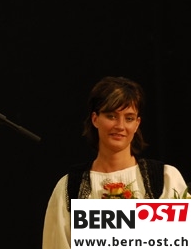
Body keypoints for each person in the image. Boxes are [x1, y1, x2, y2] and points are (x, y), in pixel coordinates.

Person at [42, 76, 188, 249]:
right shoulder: (70, 186)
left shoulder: (165, 178)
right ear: (95, 119)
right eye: (111, 116)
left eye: (129, 118)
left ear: (137, 124)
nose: (120, 126)